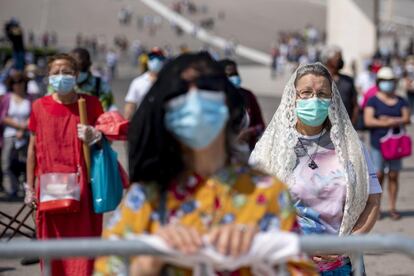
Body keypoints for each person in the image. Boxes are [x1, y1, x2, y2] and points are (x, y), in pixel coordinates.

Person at [95, 52, 315, 275]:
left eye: (206, 87)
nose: (195, 99)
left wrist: (260, 258)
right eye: (182, 91)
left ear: (227, 102)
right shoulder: (146, 198)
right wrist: (146, 265)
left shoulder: (268, 192)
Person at [250, 63, 382, 274]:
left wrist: (347, 244)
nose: (314, 100)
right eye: (306, 93)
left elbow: (372, 201)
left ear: (332, 99)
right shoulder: (269, 151)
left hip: (342, 266)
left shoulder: (351, 149)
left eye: (322, 94)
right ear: (292, 97)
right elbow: (250, 209)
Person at [25, 53, 104, 275]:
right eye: (56, 73)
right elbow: (33, 150)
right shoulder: (39, 107)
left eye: (67, 72)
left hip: (84, 189)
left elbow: (105, 144)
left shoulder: (91, 104)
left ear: (77, 75)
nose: (62, 77)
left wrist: (96, 136)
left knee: (83, 250)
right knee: (54, 252)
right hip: (50, 189)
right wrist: (29, 188)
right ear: (48, 77)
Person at [364, 66, 411, 220]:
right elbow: (368, 121)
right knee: (378, 176)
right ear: (379, 82)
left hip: (395, 146)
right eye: (385, 81)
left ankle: (392, 207)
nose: (388, 83)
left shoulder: (400, 100)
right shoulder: (373, 100)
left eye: (390, 80)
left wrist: (388, 120)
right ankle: (377, 208)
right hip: (378, 144)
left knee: (393, 175)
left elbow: (406, 118)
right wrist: (389, 123)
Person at [219, 59, 265, 151]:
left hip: (247, 151)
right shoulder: (216, 100)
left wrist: (250, 132)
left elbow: (261, 125)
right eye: (230, 75)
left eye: (235, 74)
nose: (234, 77)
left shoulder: (248, 95)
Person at [0, 71, 31, 197]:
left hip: (27, 135)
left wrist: (23, 129)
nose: (18, 85)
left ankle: (26, 188)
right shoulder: (7, 98)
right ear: (11, 84)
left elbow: (34, 115)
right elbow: (2, 116)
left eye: (20, 82)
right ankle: (10, 189)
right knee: (6, 162)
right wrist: (19, 126)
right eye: (15, 82)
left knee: (26, 163)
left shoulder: (30, 98)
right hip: (10, 134)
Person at [320, 46, 359, 125]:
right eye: (337, 57)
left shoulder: (348, 80)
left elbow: (355, 104)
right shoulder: (320, 79)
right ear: (328, 60)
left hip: (345, 126)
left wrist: (353, 123)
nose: (340, 60)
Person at [124, 48, 166, 120]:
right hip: (143, 123)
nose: (156, 61)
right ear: (148, 60)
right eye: (152, 57)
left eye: (159, 58)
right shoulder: (138, 82)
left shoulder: (170, 82)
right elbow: (130, 105)